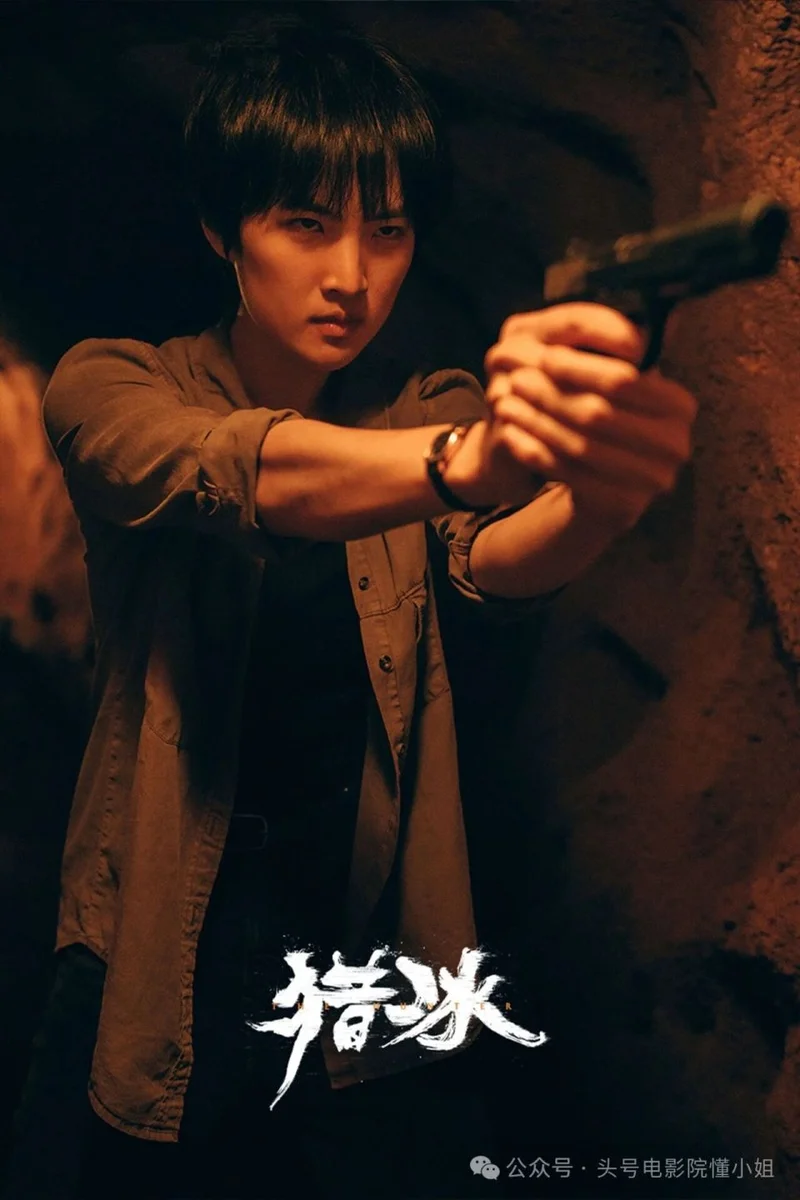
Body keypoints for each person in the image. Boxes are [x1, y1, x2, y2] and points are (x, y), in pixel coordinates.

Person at [2, 15, 698, 1200]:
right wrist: (468, 462)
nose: (350, 275)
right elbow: (241, 469)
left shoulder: (425, 401)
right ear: (222, 230)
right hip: (156, 926)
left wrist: (596, 497)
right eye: (305, 223)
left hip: (361, 927)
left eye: (388, 230)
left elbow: (487, 561)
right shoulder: (111, 383)